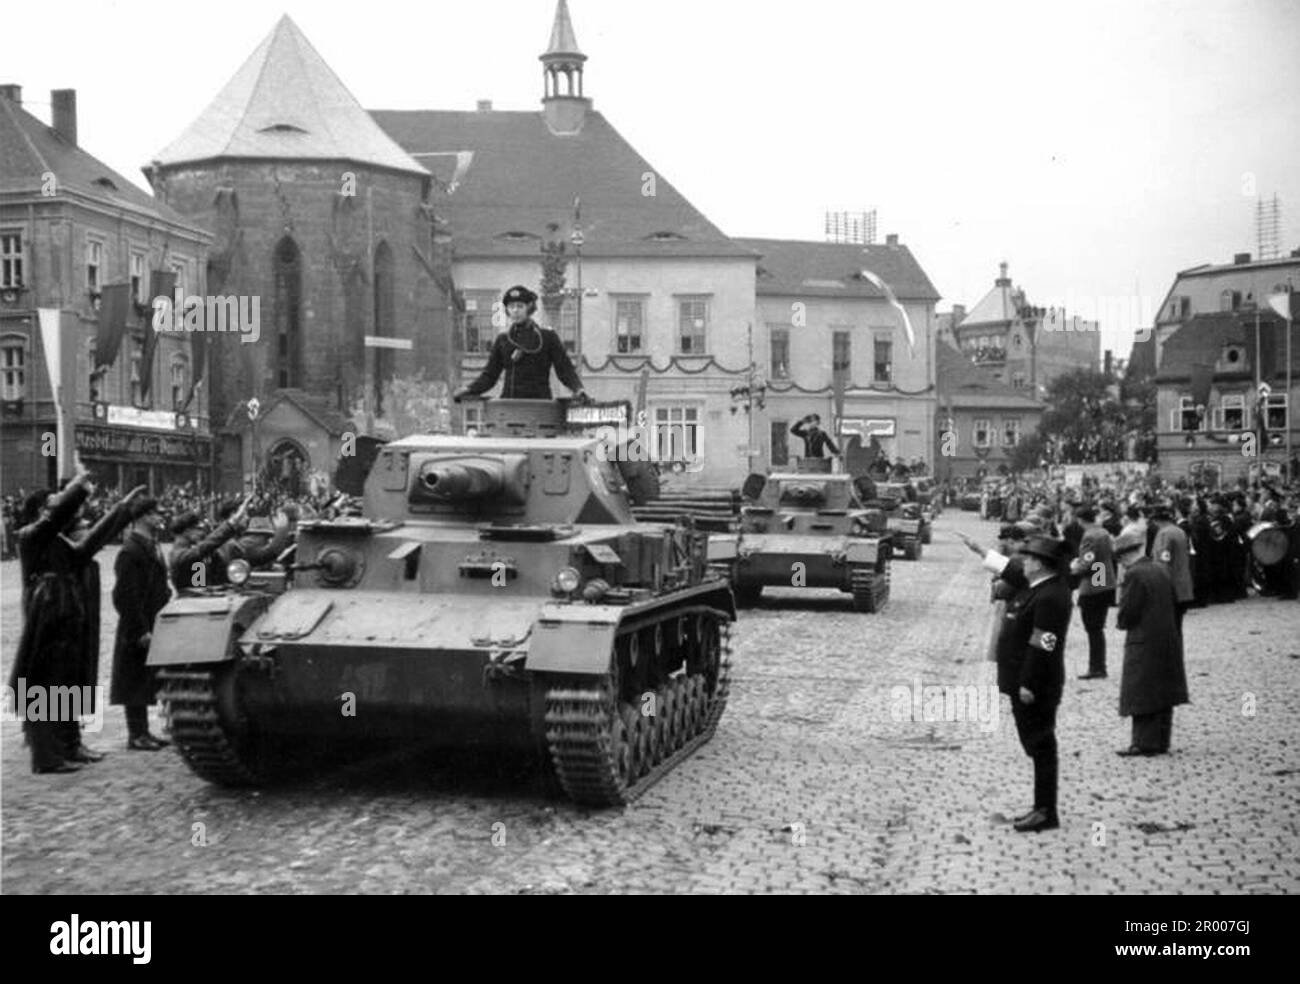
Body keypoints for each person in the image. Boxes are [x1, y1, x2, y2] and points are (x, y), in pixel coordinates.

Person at [8, 468, 145, 773]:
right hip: (47, 621)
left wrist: (122, 510)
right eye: (54, 502)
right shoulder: (30, 537)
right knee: (44, 688)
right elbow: (57, 519)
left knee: (66, 681)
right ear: (42, 512)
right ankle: (46, 757)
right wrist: (78, 487)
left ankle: (68, 746)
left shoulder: (56, 541)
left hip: (63, 617)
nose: (60, 505)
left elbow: (90, 545)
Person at [995, 535, 1073, 832]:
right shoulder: (1041, 588)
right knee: (1036, 746)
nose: (1023, 563)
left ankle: (1046, 811)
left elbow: (1044, 643)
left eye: (1027, 558)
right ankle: (1040, 805)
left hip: (1035, 684)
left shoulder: (1051, 595)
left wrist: (1028, 682)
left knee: (1041, 746)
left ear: (1039, 564)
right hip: (1022, 680)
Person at [1113, 528, 1188, 755]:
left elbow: (1128, 611)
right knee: (1162, 690)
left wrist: (1121, 620)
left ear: (1125, 556)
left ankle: (1144, 742)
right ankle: (1160, 740)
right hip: (1166, 637)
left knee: (1142, 690)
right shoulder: (1160, 569)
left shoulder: (1134, 574)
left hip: (1143, 639)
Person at [110, 496, 173, 750]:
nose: (161, 518)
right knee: (133, 680)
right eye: (157, 513)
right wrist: (140, 630)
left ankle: (144, 731)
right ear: (145, 516)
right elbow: (125, 596)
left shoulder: (149, 545)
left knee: (144, 679)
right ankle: (136, 734)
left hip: (152, 621)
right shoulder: (130, 550)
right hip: (137, 628)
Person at [453, 285, 586, 402]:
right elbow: (490, 376)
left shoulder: (547, 337)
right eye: (511, 307)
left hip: (540, 405)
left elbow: (565, 370)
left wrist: (578, 389)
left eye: (520, 306)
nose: (515, 311)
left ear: (529, 308)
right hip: (510, 404)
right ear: (507, 311)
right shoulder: (503, 340)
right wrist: (469, 389)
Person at [1071, 504, 1116, 680]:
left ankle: (1096, 666)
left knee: (1093, 627)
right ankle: (1098, 665)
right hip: (1103, 576)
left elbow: (1087, 561)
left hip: (1094, 583)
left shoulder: (1089, 536)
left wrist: (1074, 568)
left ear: (1080, 520)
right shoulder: (1103, 532)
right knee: (1097, 627)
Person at [169, 498, 250, 593]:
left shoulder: (191, 547)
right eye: (199, 529)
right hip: (190, 603)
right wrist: (231, 524)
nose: (202, 532)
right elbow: (205, 547)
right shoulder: (180, 553)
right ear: (188, 531)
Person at [1149, 504, 1194, 637]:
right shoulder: (1179, 531)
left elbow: (1163, 562)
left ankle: (1171, 657)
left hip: (1170, 586)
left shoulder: (1164, 534)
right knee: (1177, 627)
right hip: (1183, 584)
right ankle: (1177, 656)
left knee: (1168, 630)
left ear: (1156, 520)